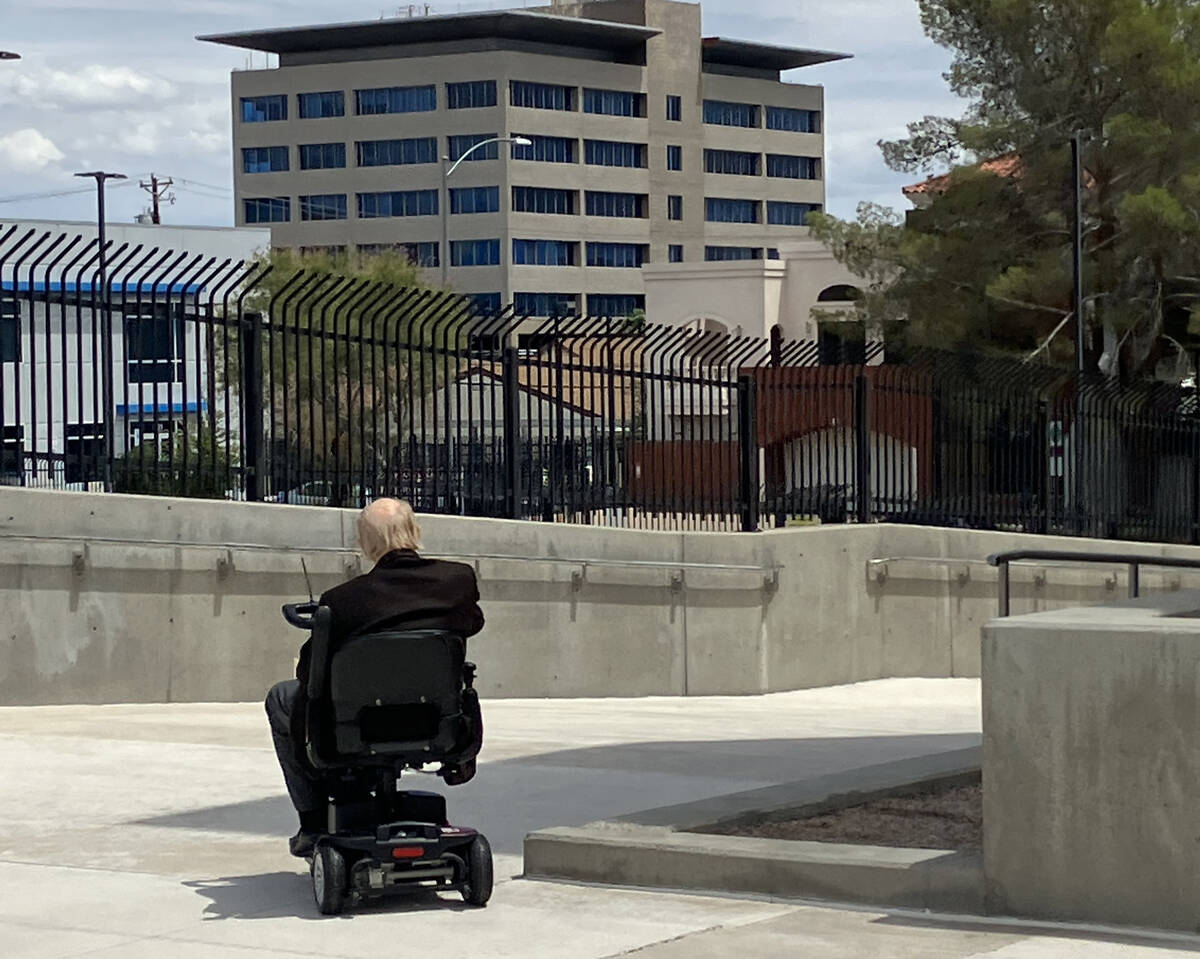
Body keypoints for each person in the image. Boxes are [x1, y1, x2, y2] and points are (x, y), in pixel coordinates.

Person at [265, 497, 485, 857]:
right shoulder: (456, 580)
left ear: (366, 544)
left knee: (281, 697)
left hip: (359, 727)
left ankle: (313, 819)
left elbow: (309, 674)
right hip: (433, 721)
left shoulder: (343, 600)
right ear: (415, 531)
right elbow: (472, 624)